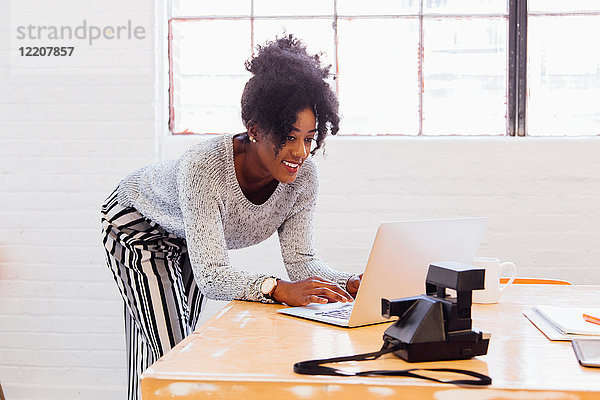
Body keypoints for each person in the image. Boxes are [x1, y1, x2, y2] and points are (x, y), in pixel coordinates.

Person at [101, 34, 362, 400]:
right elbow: (212, 277)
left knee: (169, 349)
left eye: (310, 138)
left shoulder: (303, 179)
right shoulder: (204, 167)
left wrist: (350, 283)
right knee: (177, 356)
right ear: (255, 129)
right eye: (289, 137)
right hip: (137, 225)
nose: (300, 152)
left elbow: (302, 263)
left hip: (183, 235)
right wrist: (276, 289)